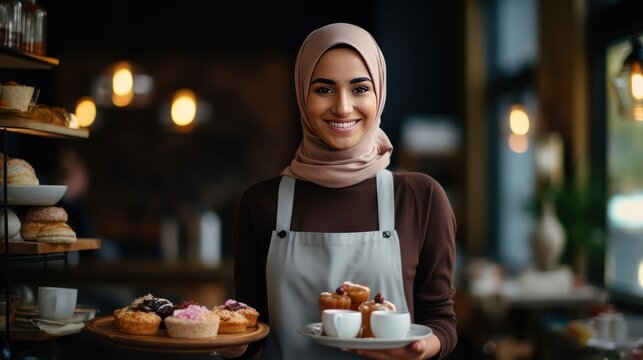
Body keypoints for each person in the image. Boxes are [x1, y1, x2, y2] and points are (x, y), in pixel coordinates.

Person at [228, 23, 457, 360]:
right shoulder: (261, 203)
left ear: (379, 93)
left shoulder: (419, 198)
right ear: (301, 96)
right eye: (324, 89)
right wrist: (226, 345)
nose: (343, 107)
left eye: (360, 88)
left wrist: (422, 349)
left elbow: (441, 320)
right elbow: (250, 333)